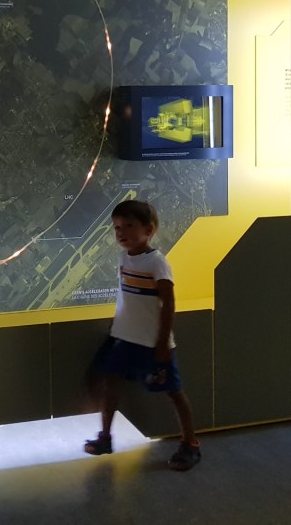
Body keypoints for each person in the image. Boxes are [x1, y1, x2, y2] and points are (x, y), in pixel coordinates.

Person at [84, 199, 201, 471]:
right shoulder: (124, 257)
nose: (121, 232)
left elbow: (169, 304)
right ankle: (105, 437)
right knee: (110, 382)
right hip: (124, 339)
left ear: (149, 229)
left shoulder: (157, 263)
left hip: (151, 344)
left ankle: (191, 444)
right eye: (116, 227)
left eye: (128, 226)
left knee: (173, 392)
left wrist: (161, 343)